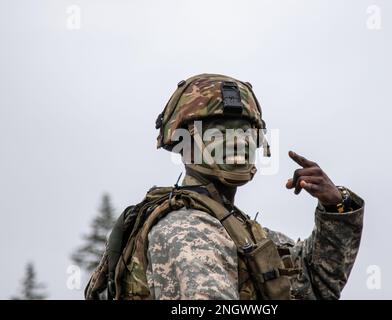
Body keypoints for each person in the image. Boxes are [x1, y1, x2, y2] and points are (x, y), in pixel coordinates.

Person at [85, 73, 364, 300]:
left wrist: (336, 207)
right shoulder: (187, 231)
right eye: (219, 133)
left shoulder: (238, 231)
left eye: (245, 133)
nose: (238, 144)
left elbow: (316, 285)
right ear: (185, 144)